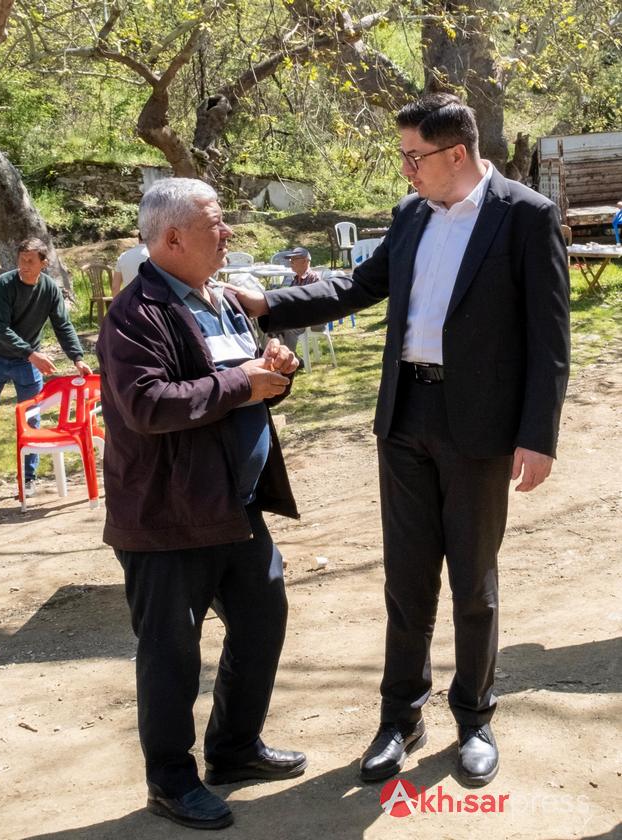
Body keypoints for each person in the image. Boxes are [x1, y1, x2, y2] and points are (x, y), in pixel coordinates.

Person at [231, 93, 571, 787]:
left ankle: (474, 718)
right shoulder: (411, 214)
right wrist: (270, 303)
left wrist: (538, 435)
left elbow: (551, 337)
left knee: (472, 582)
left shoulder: (526, 216)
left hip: (480, 427)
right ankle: (400, 718)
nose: (406, 170)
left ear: (456, 153)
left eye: (415, 157)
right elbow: (359, 287)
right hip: (405, 416)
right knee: (406, 581)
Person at [96, 178, 305, 830]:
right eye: (215, 223)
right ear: (173, 238)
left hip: (233, 507)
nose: (228, 232)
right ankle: (170, 781)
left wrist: (273, 372)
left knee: (262, 622)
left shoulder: (221, 299)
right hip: (167, 516)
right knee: (171, 653)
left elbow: (240, 381)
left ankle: (235, 750)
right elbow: (148, 404)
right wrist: (242, 383)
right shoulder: (136, 314)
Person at [0, 238, 92, 495]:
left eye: (30, 261)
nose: (24, 265)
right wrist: (31, 354)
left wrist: (77, 358)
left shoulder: (49, 289)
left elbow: (63, 325)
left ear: (43, 263)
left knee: (31, 420)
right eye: (21, 260)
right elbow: (0, 328)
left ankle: (28, 479)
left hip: (27, 363)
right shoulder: (4, 284)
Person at [271, 247, 325, 354]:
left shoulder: (313, 278)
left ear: (305, 261)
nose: (290, 263)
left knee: (290, 328)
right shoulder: (296, 279)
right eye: (290, 260)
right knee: (272, 325)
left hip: (315, 320)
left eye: (294, 260)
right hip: (300, 317)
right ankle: (278, 356)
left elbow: (312, 306)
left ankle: (287, 358)